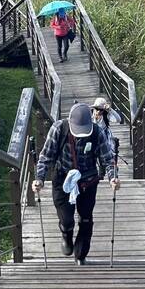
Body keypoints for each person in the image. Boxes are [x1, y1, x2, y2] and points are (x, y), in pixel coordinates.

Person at [32, 103, 120, 265]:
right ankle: (66, 234)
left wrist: (112, 177)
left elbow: (107, 159)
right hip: (63, 179)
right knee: (66, 219)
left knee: (86, 219)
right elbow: (46, 156)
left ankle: (81, 254)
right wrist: (40, 178)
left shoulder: (97, 132)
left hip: (88, 181)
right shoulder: (59, 128)